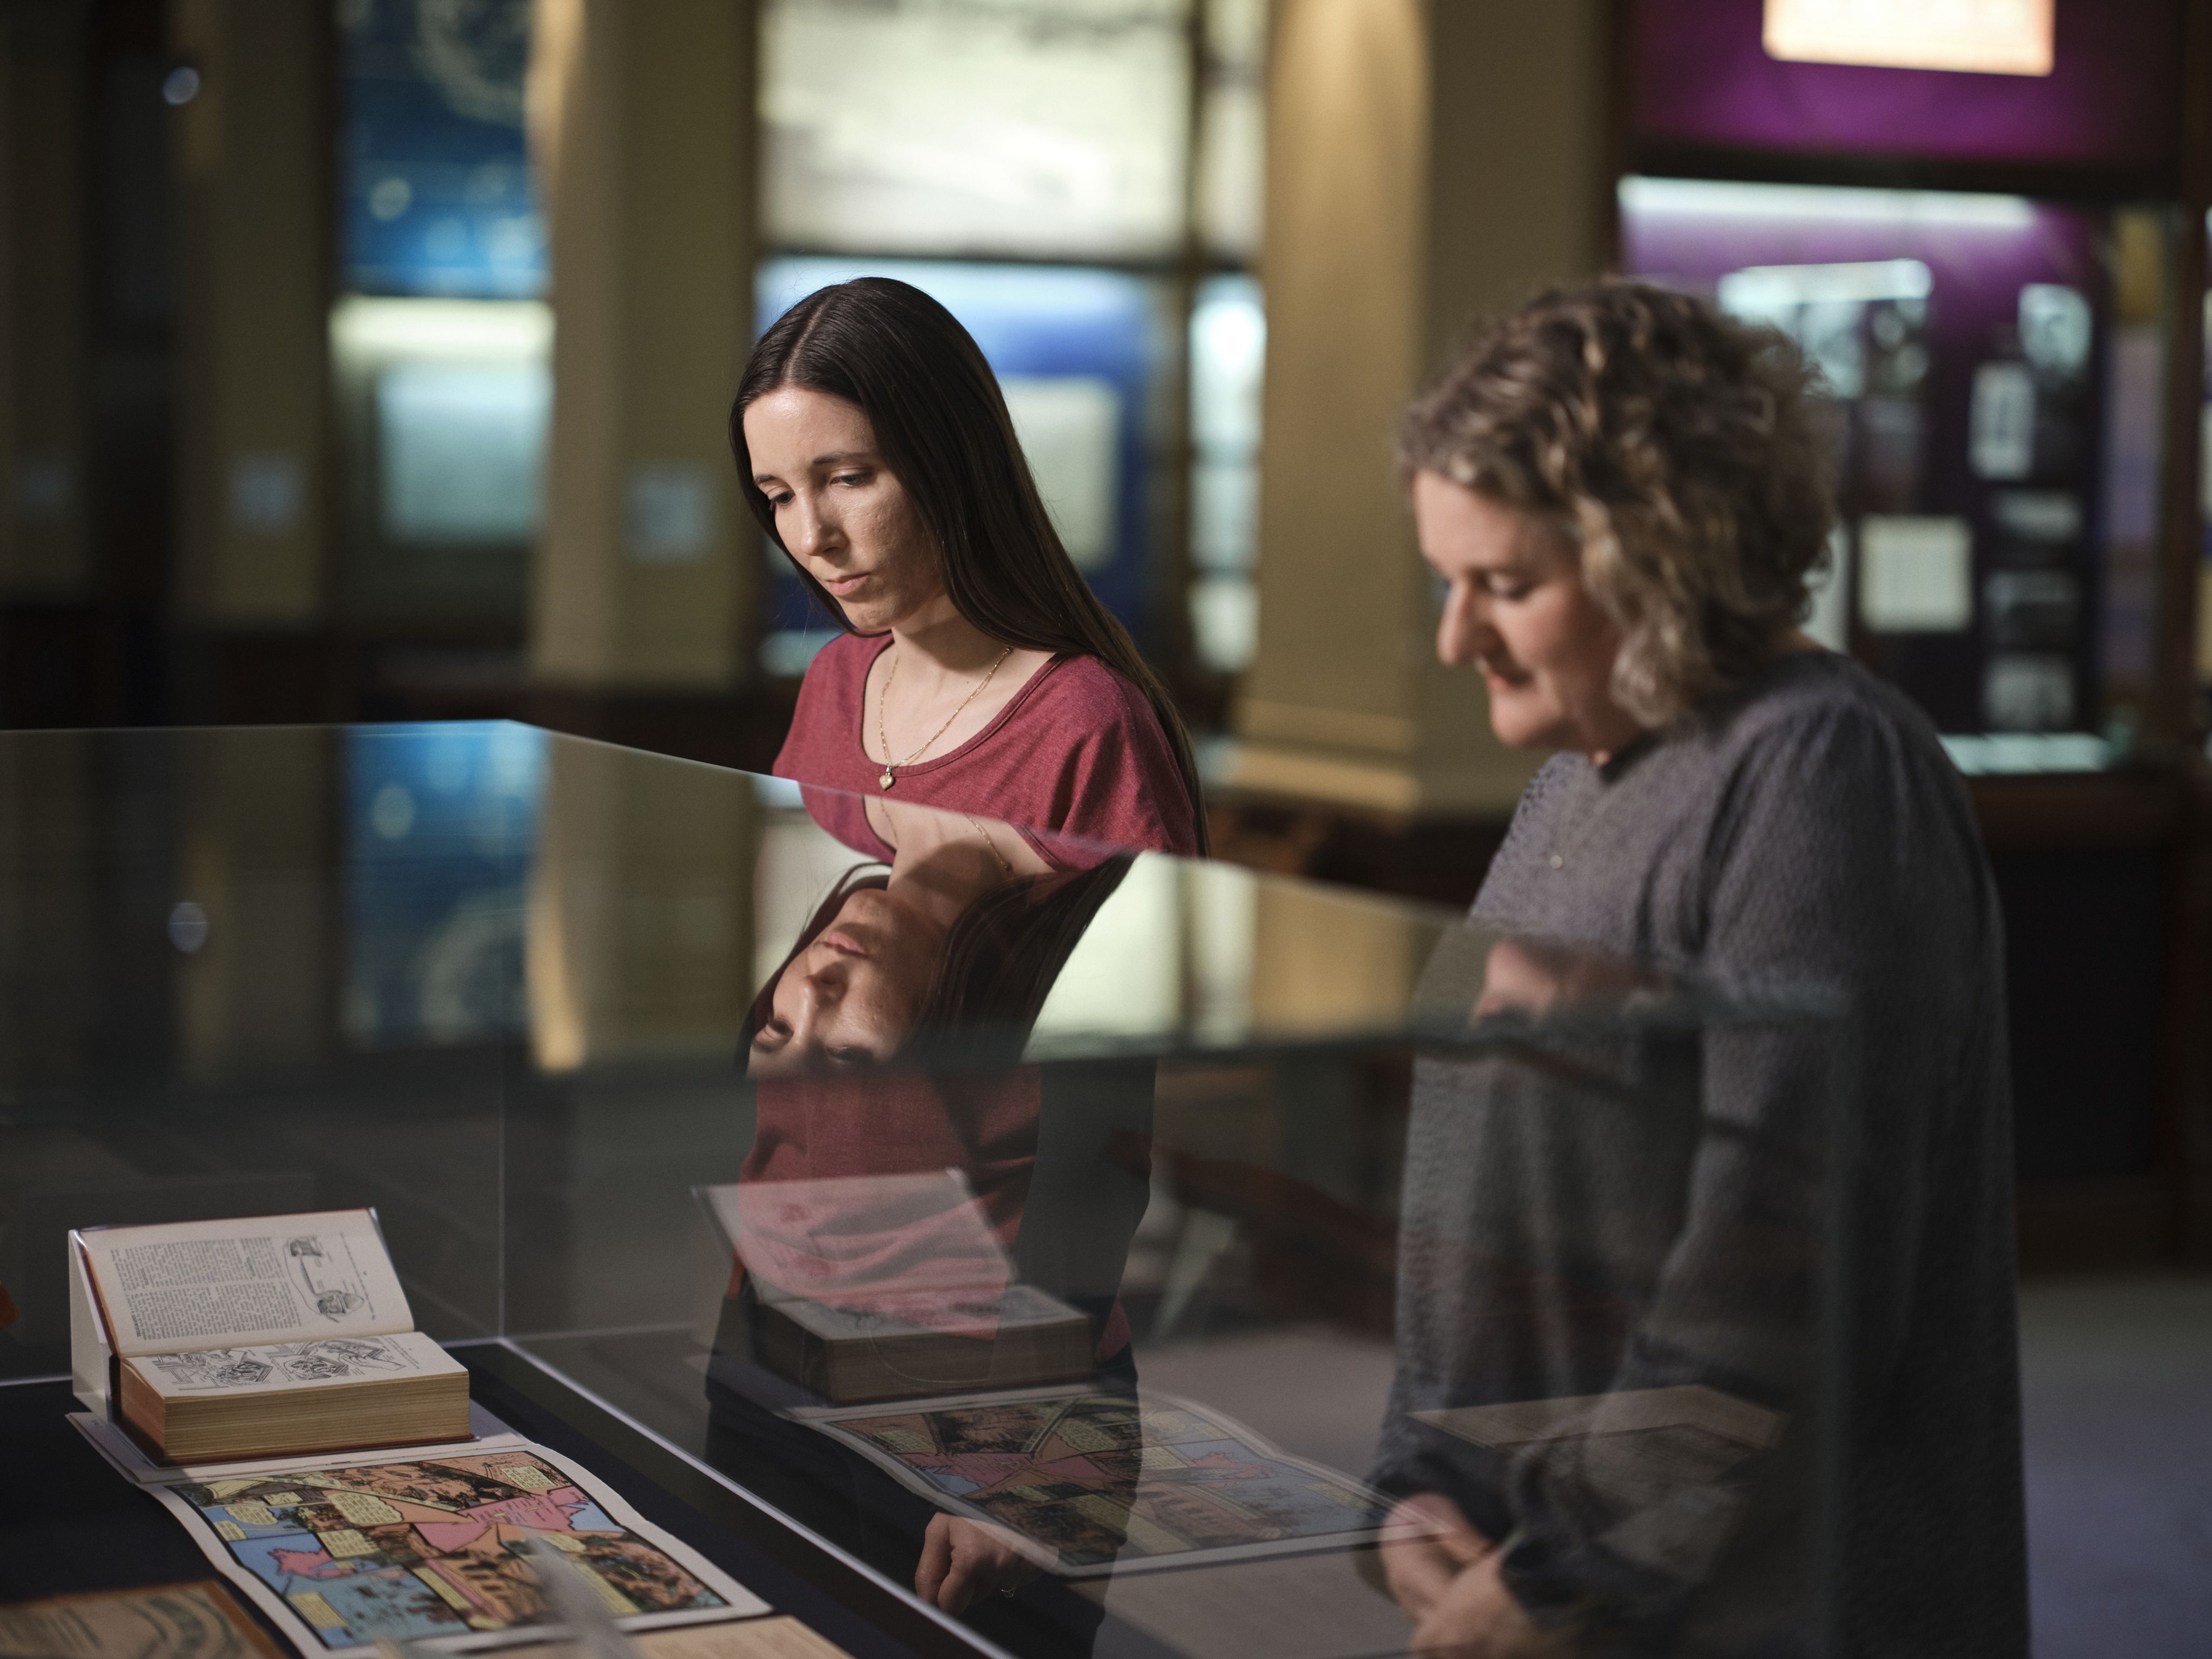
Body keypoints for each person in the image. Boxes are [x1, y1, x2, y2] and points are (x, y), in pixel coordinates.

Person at [1370, 282, 2024, 1656]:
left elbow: (1781, 1266)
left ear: (1662, 555)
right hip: (1545, 1556)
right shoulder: (1575, 770)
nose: (1455, 637)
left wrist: (1564, 1571)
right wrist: (1422, 1481)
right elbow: (1496, 1200)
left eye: (1505, 584)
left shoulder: (1823, 766)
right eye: (1450, 578)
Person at [733, 276, 1205, 860]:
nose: (811, 539)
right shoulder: (837, 678)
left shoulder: (1083, 720)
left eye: (848, 479)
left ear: (952, 461)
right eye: (779, 495)